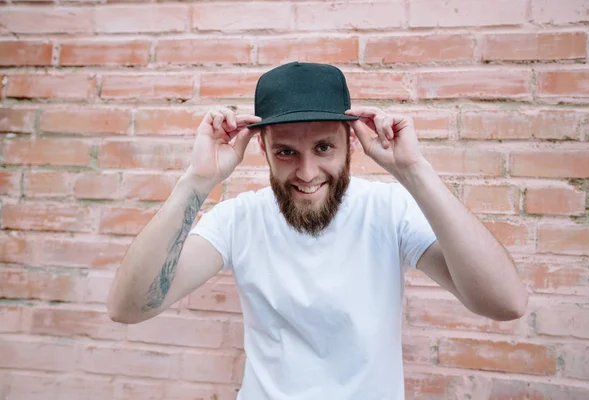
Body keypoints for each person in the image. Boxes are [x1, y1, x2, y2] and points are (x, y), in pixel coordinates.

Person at [107, 62, 528, 399]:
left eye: (323, 147)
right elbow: (128, 308)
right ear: (262, 148)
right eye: (286, 152)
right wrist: (197, 181)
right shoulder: (239, 218)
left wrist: (414, 171)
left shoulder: (389, 209)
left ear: (350, 141)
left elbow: (505, 302)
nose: (307, 173)